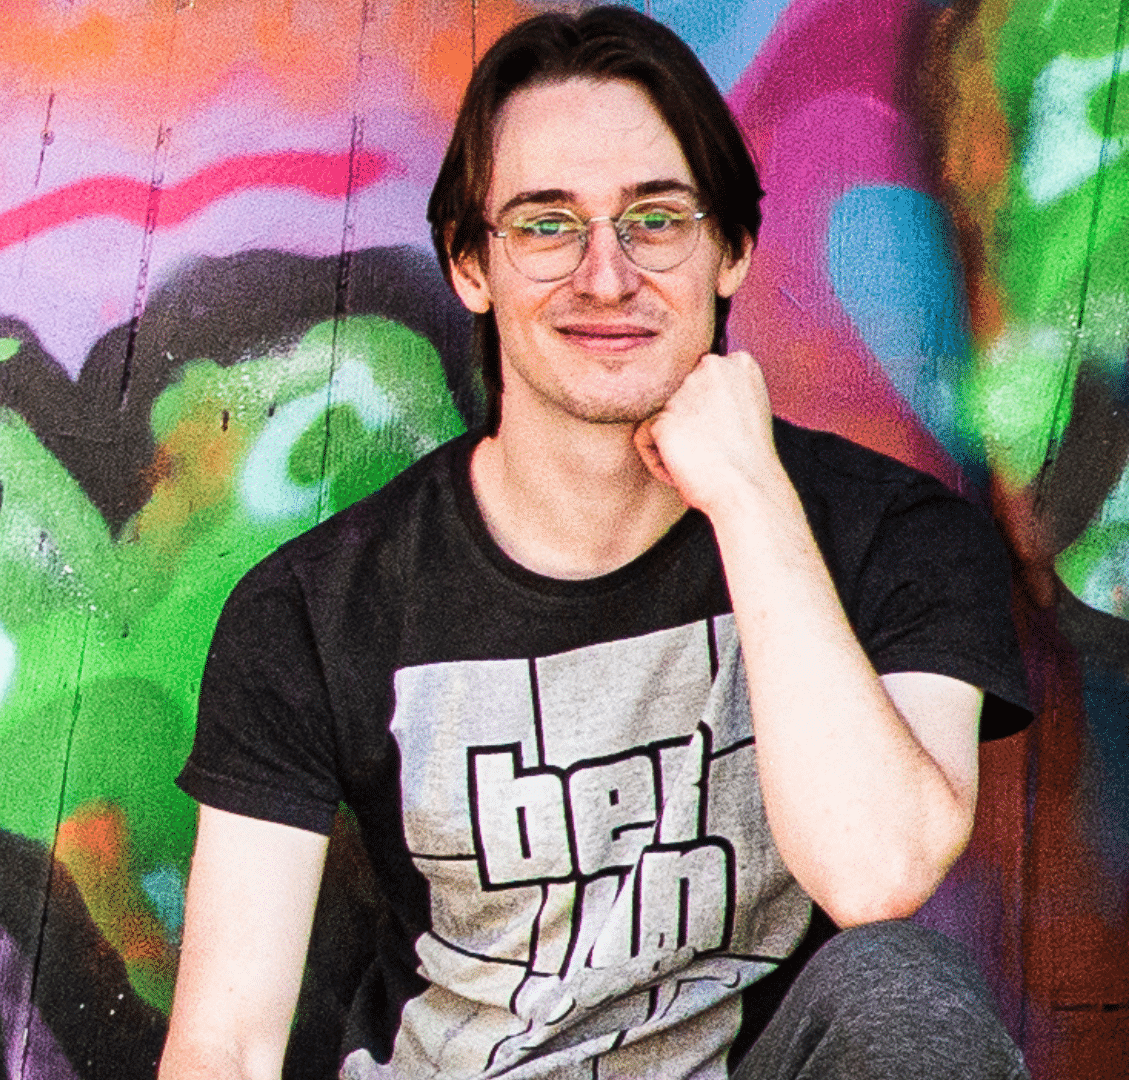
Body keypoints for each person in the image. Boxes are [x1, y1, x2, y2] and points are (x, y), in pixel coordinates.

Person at [159, 7, 1034, 1080]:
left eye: (656, 220)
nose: (607, 275)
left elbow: (877, 872)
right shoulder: (315, 609)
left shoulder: (893, 539)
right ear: (470, 265)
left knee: (903, 992)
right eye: (545, 224)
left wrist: (753, 499)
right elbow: (226, 1043)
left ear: (733, 248)